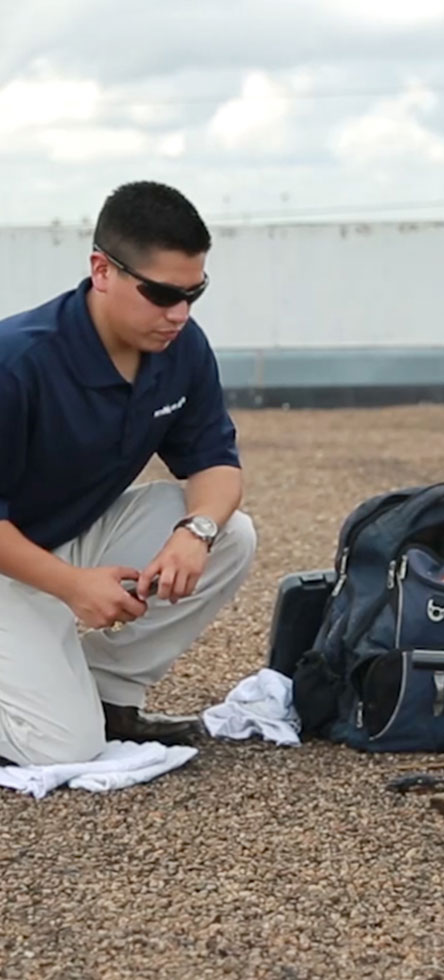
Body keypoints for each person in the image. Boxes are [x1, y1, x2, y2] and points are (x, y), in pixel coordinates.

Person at [0, 181, 256, 766]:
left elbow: (216, 464)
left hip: (58, 540)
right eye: (162, 293)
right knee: (63, 748)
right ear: (102, 269)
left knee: (230, 532)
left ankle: (108, 697)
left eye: (194, 293)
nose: (179, 314)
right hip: (7, 557)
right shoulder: (16, 362)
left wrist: (196, 535)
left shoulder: (182, 348)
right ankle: (53, 699)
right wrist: (70, 587)